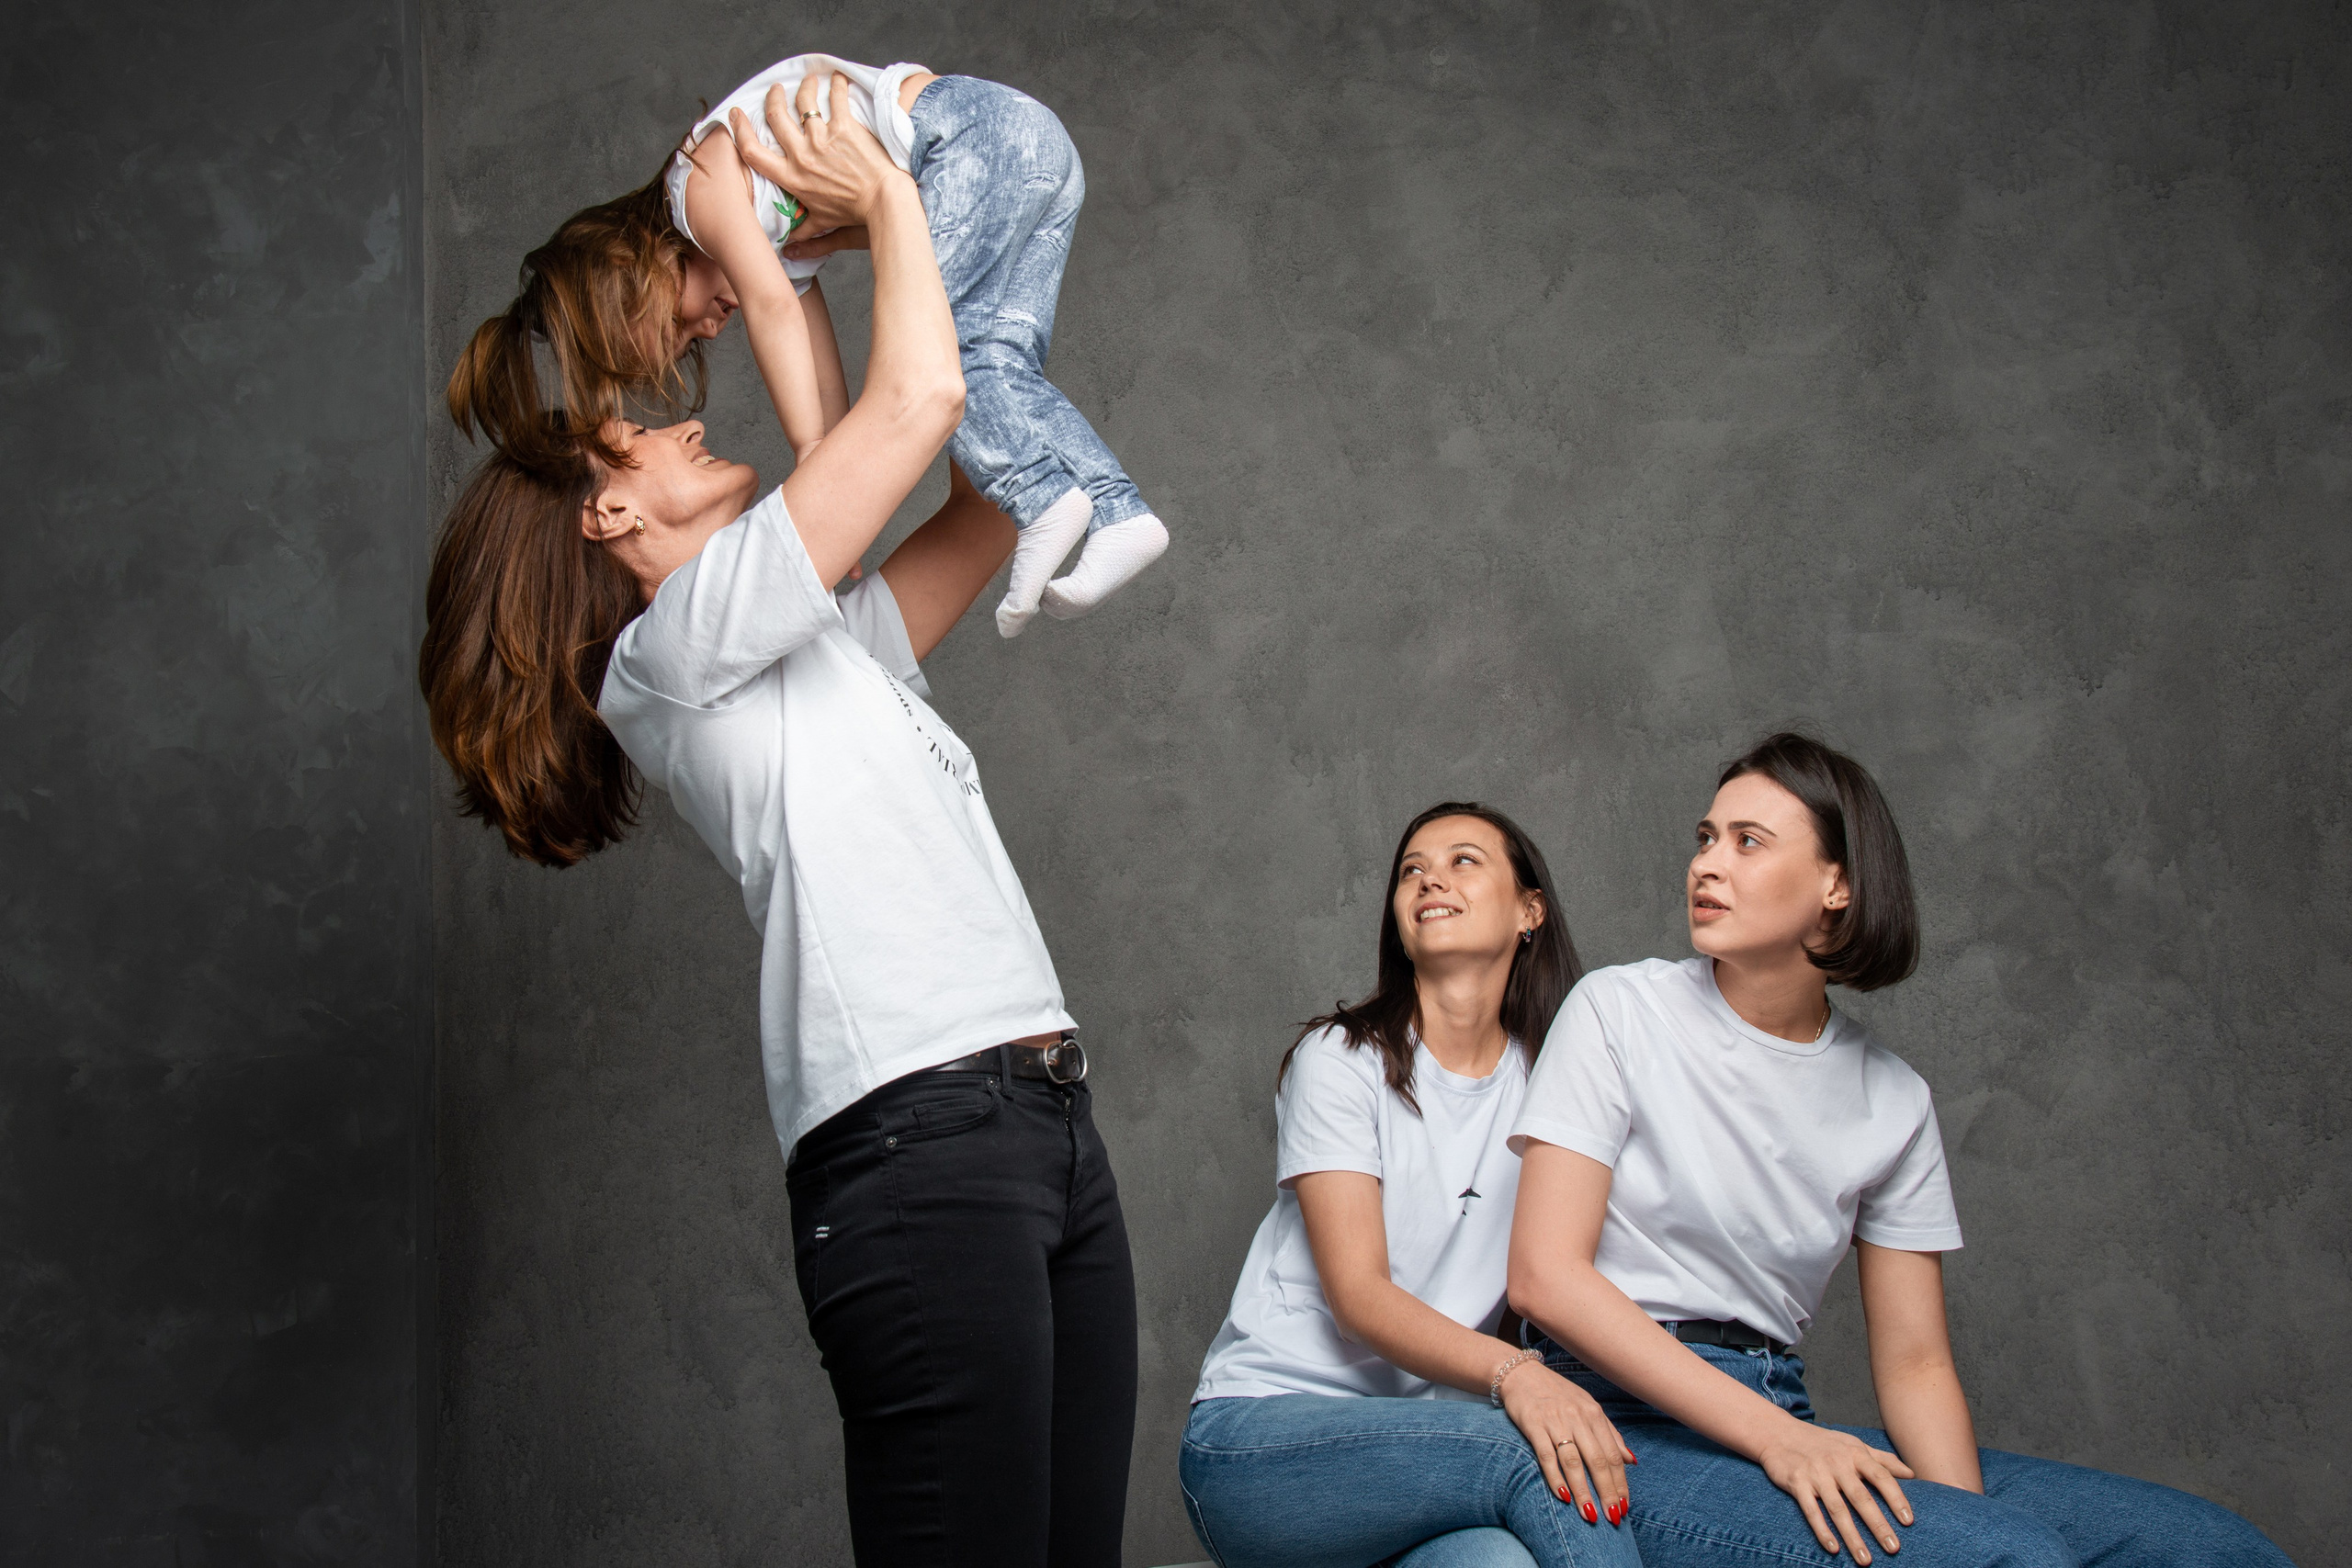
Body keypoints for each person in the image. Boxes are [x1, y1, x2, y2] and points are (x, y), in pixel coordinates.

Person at [419, 81, 1133, 1568]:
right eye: (639, 441)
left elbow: (980, 492)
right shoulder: (665, 662)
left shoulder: (810, 638)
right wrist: (828, 222)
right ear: (608, 525)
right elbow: (912, 409)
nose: (680, 415)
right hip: (921, 1145)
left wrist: (957, 243)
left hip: (1043, 1119)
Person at [1504, 733, 2296, 1568]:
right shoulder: (1619, 1009)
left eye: (1748, 841)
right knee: (2005, 1556)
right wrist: (1793, 1449)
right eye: (1706, 837)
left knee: (2210, 1548)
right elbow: (1546, 1278)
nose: (1707, 864)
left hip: (1778, 1403)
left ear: (1837, 885)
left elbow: (1916, 1362)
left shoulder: (1893, 1098)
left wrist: (1955, 1523)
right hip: (1617, 1423)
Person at [448, 54, 1166, 640]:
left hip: (967, 141)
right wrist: (832, 468)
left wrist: (809, 454)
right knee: (1001, 363)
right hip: (1029, 147)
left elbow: (772, 310)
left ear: (627, 273)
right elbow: (821, 365)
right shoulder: (775, 244)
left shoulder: (696, 187)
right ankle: (1119, 509)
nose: (707, 330)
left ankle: (1042, 495)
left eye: (676, 326)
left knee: (959, 355)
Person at [1182, 804, 1647, 1568]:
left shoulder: (1557, 1087)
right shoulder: (1340, 1059)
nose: (1431, 876)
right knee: (1540, 1453)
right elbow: (1360, 1297)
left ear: (1531, 910)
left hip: (1426, 1461)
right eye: (1412, 869)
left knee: (1502, 1562)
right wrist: (1516, 1377)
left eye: (1465, 860)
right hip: (1259, 1441)